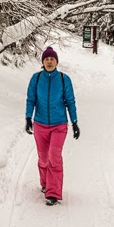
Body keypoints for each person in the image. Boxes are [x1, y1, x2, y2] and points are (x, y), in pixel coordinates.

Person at [25, 46, 79, 206]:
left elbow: (70, 101)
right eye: (46, 59)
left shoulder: (64, 79)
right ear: (43, 62)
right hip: (40, 124)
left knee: (54, 157)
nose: (49, 61)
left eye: (52, 59)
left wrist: (75, 122)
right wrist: (28, 118)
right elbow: (31, 99)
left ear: (56, 62)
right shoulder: (36, 78)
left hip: (59, 125)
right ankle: (45, 183)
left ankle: (53, 193)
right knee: (43, 158)